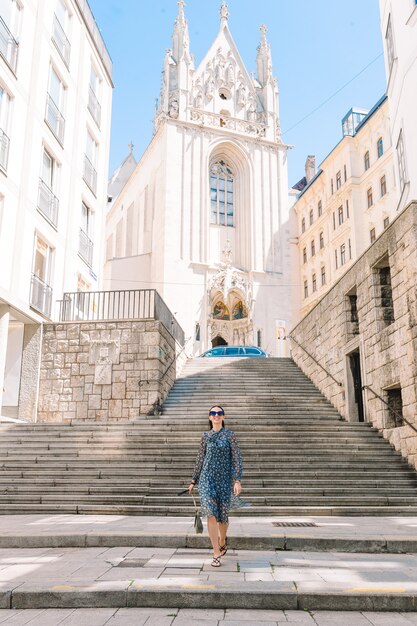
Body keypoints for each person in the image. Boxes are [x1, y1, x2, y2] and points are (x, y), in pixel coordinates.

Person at [188, 405, 246, 567]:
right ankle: (215, 552)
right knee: (211, 514)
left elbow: (236, 459)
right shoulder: (205, 436)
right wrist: (194, 480)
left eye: (219, 413)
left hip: (224, 480)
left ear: (223, 417)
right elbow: (200, 458)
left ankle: (222, 539)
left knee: (223, 517)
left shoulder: (230, 436)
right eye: (213, 413)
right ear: (209, 417)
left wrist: (237, 480)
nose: (216, 416)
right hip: (207, 479)